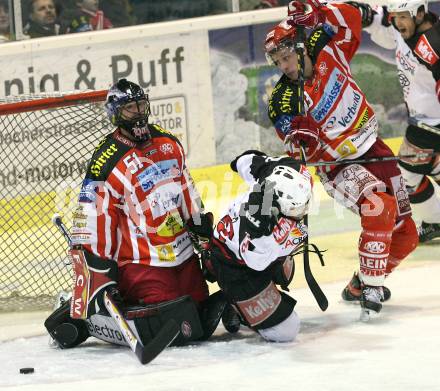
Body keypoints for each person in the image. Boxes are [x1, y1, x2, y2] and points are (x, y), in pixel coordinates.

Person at [265, 1, 419, 319]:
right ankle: (374, 289)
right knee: (380, 207)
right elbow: (300, 155)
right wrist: (304, 142)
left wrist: (318, 10)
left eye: (287, 55)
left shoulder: (327, 49)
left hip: (373, 148)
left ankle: (360, 284)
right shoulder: (282, 100)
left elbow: (351, 16)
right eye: (278, 61)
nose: (285, 65)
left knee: (406, 237)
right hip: (338, 167)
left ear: (299, 45)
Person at [45, 79, 224, 350]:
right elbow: (94, 215)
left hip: (182, 253)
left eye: (141, 105)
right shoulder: (106, 159)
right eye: (130, 108)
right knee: (170, 322)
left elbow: (187, 190)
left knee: (197, 313)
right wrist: (98, 270)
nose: (139, 113)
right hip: (141, 261)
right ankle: (84, 314)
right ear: (116, 113)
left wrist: (202, 232)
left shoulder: (168, 142)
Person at [344, 0, 440, 244]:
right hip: (422, 122)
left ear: (420, 13)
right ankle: (435, 220)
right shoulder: (402, 29)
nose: (398, 23)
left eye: (403, 17)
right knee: (422, 171)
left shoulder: (433, 43)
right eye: (395, 17)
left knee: (404, 178)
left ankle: (436, 221)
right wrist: (364, 16)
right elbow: (382, 26)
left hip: (432, 124)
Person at [207, 150, 312, 342]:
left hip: (248, 250)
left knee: (285, 270)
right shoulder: (258, 224)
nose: (303, 211)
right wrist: (267, 237)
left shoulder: (286, 174)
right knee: (286, 331)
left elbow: (245, 160)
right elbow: (257, 263)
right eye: (297, 208)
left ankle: (254, 297)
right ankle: (234, 304)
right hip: (236, 269)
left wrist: (251, 162)